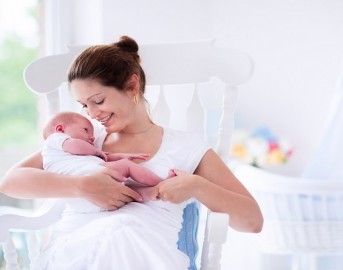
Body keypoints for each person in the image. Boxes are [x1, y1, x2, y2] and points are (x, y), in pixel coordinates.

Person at [0, 36, 263, 270]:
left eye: (98, 101)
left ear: (132, 86)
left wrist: (196, 186)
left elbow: (252, 221)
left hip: (144, 253)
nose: (91, 114)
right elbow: (11, 182)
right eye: (83, 105)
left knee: (121, 233)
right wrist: (81, 186)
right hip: (76, 251)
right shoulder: (83, 141)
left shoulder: (186, 146)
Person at [42, 111, 170, 212]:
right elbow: (79, 147)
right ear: (60, 129)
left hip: (84, 204)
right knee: (126, 167)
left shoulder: (73, 155)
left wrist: (120, 155)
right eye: (85, 130)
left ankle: (147, 193)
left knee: (126, 188)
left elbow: (103, 158)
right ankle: (164, 184)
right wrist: (97, 152)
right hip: (86, 182)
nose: (92, 137)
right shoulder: (55, 139)